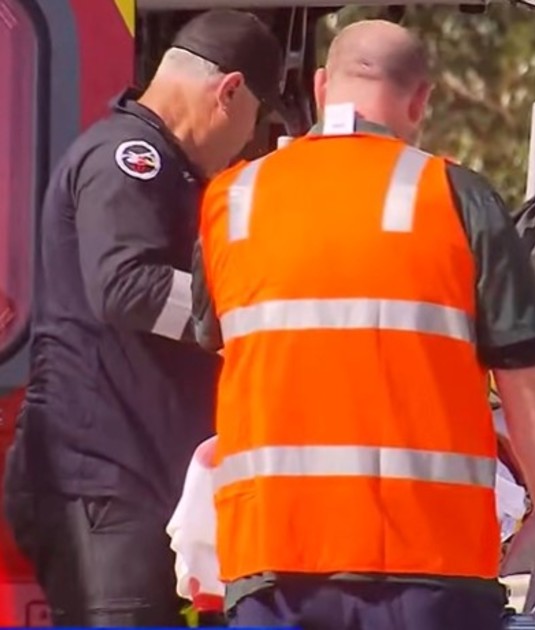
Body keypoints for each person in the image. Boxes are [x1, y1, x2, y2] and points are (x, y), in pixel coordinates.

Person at [190, 20, 535, 629]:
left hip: (271, 556)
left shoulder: (231, 200)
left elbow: (224, 355)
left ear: (320, 87)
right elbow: (527, 372)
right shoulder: (455, 195)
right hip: (429, 559)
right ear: (420, 101)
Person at [1, 10, 285, 626]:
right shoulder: (132, 159)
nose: (247, 139)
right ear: (229, 92)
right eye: (255, 118)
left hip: (126, 478)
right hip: (103, 482)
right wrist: (253, 324)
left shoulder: (161, 164)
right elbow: (127, 286)